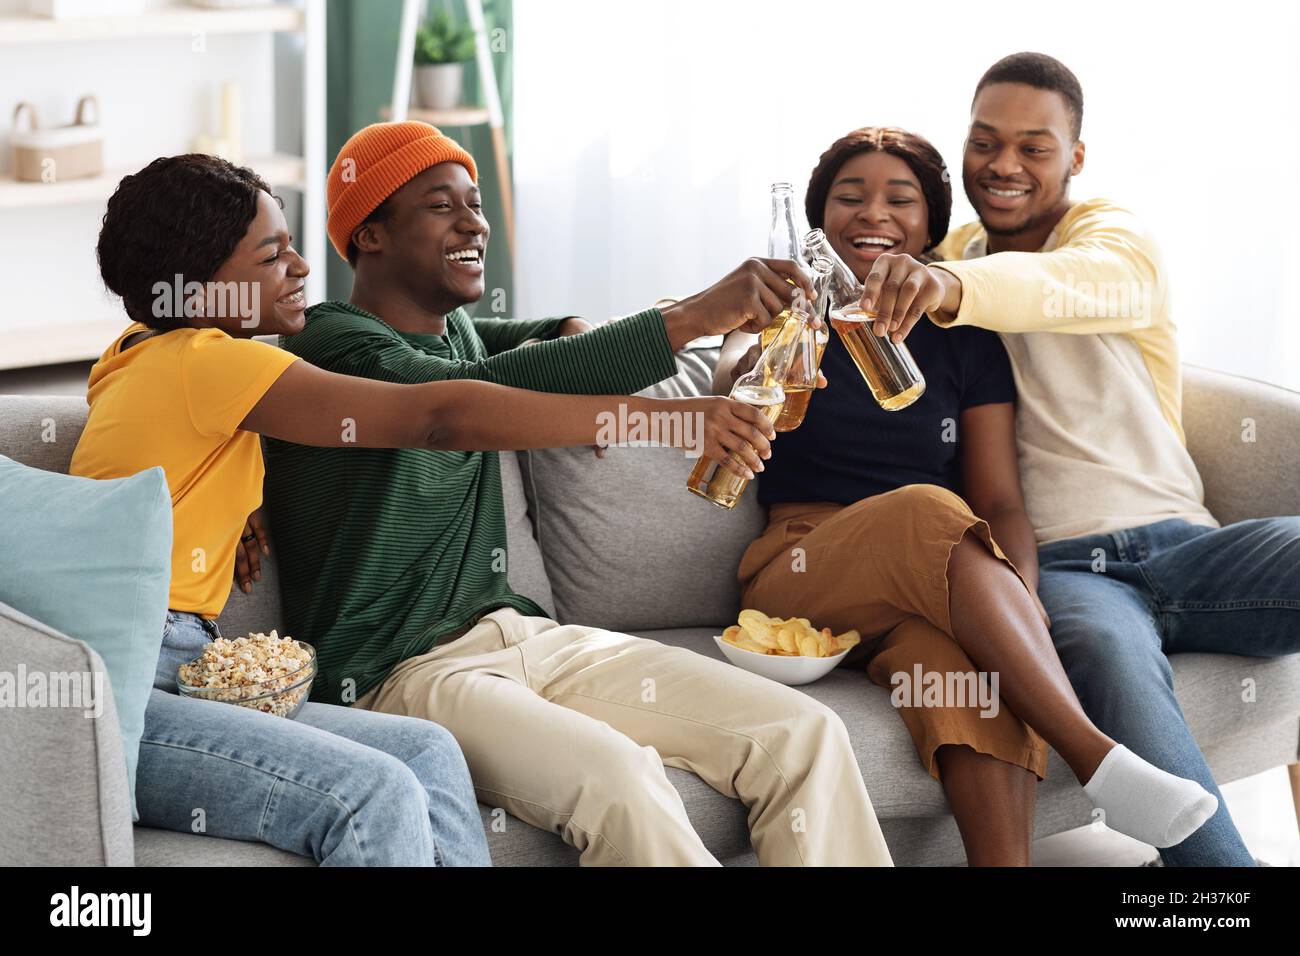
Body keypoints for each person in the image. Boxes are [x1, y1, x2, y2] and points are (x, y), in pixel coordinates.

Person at [70, 152, 787, 865]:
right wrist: (671, 417)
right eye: (271, 255)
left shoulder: (139, 359)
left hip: (180, 659)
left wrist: (244, 511)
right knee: (374, 789)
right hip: (129, 679)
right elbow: (436, 415)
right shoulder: (215, 362)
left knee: (428, 754)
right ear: (201, 288)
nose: (300, 268)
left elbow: (184, 459)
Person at [263, 120, 893, 866]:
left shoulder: (457, 331)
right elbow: (452, 409)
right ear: (368, 235)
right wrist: (690, 331)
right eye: (442, 206)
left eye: (475, 201)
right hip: (398, 676)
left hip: (527, 638)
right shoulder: (333, 344)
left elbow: (532, 343)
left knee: (802, 733)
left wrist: (573, 330)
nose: (475, 221)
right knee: (620, 776)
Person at [850, 52, 1300, 866]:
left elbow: (1063, 284)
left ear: (1075, 157)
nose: (1004, 165)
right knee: (1107, 660)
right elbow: (838, 280)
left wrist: (949, 287)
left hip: (1192, 546)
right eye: (985, 142)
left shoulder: (1113, 242)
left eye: (1034, 146)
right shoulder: (941, 259)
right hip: (1066, 575)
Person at [722, 126, 1217, 865]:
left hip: (928, 578)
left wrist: (1022, 597)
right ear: (820, 220)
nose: (872, 214)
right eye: (849, 198)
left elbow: (1001, 502)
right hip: (803, 566)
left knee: (965, 677)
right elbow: (729, 379)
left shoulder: (966, 338)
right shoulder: (785, 317)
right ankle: (1097, 759)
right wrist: (760, 340)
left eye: (900, 200)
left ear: (931, 228)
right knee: (928, 505)